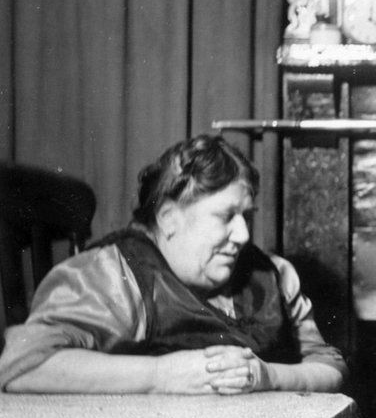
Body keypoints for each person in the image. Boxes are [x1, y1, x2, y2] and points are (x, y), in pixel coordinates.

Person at [0, 134, 347, 395]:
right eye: (226, 216)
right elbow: (18, 367)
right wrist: (162, 375)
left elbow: (329, 366)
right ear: (169, 218)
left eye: (246, 217)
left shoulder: (273, 274)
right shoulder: (115, 277)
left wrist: (269, 376)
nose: (242, 235)